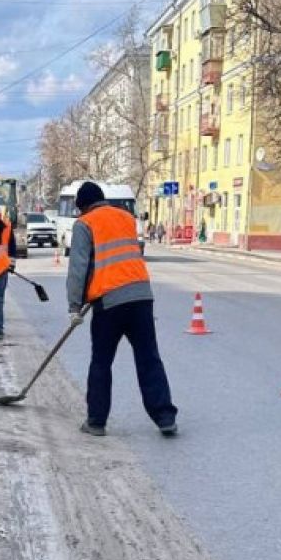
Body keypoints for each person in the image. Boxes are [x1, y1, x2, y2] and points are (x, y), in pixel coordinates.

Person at [66, 181, 178, 438]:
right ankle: (165, 417)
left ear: (82, 207)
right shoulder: (126, 217)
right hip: (141, 296)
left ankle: (96, 421)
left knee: (101, 362)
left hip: (109, 302)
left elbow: (78, 268)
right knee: (149, 358)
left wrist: (74, 305)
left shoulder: (84, 223)